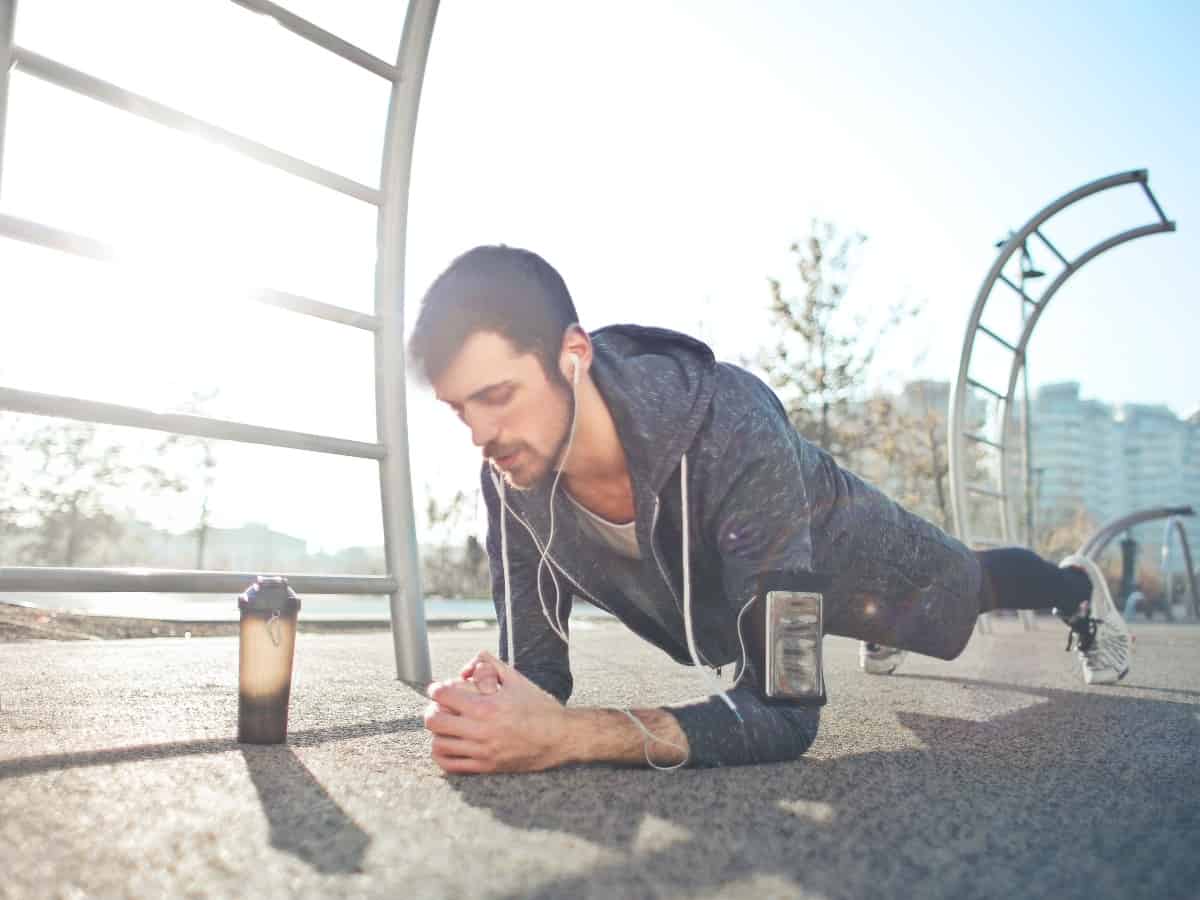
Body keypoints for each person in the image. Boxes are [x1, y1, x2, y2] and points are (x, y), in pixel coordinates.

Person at [408, 245, 1131, 774]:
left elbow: (784, 713)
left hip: (863, 560)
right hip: (763, 591)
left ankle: (1075, 585)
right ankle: (872, 627)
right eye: (458, 409)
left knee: (968, 590)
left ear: (573, 355)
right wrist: (493, 707)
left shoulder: (730, 425)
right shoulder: (512, 471)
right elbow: (539, 670)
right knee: (826, 620)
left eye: (498, 396)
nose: (480, 435)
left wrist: (569, 736)